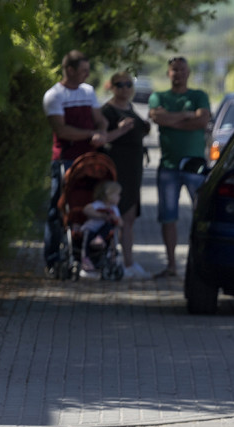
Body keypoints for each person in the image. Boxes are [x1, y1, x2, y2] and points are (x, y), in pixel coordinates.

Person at [148, 56, 211, 278]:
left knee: (201, 216)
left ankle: (198, 264)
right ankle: (172, 265)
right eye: (174, 70)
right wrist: (186, 116)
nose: (178, 73)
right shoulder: (159, 96)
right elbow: (157, 117)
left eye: (182, 69)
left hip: (195, 166)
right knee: (168, 217)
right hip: (168, 167)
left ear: (188, 72)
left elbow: (202, 121)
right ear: (168, 73)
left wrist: (171, 119)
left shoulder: (199, 95)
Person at [102, 71, 152, 279]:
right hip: (116, 168)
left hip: (134, 170)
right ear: (111, 87)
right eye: (120, 85)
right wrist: (120, 131)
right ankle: (109, 261)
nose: (124, 88)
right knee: (111, 217)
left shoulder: (131, 107)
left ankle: (128, 263)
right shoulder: (106, 111)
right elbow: (101, 138)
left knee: (129, 218)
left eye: (128, 84)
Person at [43, 50, 111, 164]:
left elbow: (100, 120)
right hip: (66, 159)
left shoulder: (88, 91)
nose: (88, 74)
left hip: (90, 157)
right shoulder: (55, 95)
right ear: (70, 70)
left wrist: (101, 132)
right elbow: (62, 131)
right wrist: (91, 134)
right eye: (84, 71)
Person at [80, 180, 122, 277]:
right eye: (117, 195)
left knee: (109, 226)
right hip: (91, 229)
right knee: (87, 234)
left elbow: (120, 222)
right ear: (109, 195)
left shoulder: (114, 209)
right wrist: (101, 215)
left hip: (103, 233)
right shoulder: (98, 204)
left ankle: (100, 240)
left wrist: (114, 218)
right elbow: (86, 209)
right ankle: (85, 259)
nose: (120, 197)